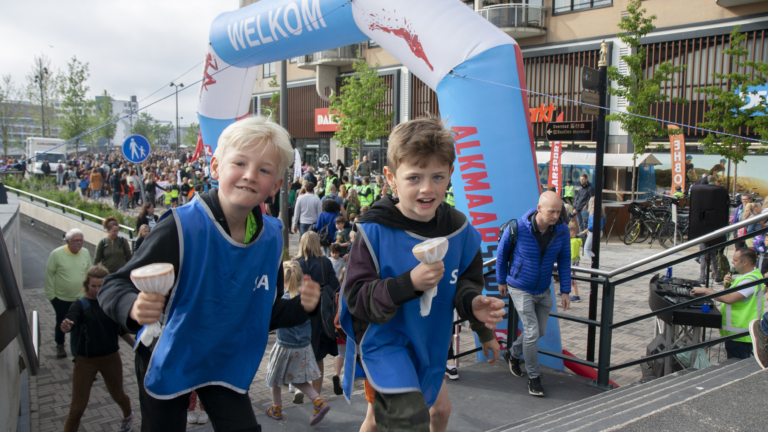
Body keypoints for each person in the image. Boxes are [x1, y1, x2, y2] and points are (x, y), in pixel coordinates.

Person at [97, 115, 321, 431]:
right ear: (215, 168)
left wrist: (302, 307)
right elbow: (113, 285)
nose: (250, 176)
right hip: (172, 354)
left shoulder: (272, 236)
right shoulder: (179, 227)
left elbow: (259, 312)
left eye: (265, 169)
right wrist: (132, 306)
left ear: (278, 185)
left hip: (225, 359)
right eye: (239, 163)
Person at [340, 117, 504, 432]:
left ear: (450, 175)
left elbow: (466, 284)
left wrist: (476, 313)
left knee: (426, 412)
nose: (427, 188)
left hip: (430, 342)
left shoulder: (460, 230)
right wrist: (408, 284)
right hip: (384, 344)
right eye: (414, 177)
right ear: (391, 178)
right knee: (408, 419)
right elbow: (356, 299)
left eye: (437, 176)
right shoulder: (373, 232)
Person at [498, 191, 571, 397]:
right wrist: (501, 280)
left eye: (558, 212)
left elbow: (565, 260)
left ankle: (512, 353)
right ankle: (534, 378)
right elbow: (502, 255)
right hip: (520, 286)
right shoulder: (519, 227)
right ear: (539, 209)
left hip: (543, 289)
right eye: (551, 212)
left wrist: (565, 290)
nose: (556, 216)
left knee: (538, 331)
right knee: (531, 331)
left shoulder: (562, 230)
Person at [60, 265, 135, 432]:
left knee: (118, 395)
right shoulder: (81, 304)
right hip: (85, 361)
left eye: (101, 286)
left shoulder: (111, 303)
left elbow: (121, 330)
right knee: (77, 408)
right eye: (93, 286)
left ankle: (128, 415)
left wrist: (137, 347)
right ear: (87, 285)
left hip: (111, 358)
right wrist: (66, 326)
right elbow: (70, 320)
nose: (96, 290)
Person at [264, 261, 331, 425]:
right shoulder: (304, 299)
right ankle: (318, 401)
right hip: (303, 347)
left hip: (284, 346)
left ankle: (276, 407)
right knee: (296, 378)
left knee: (275, 376)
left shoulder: (283, 300)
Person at [692, 248, 766, 359]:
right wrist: (727, 286)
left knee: (737, 364)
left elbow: (729, 298)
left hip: (740, 334)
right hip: (737, 333)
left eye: (735, 260)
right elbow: (739, 297)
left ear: (745, 262)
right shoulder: (748, 276)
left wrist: (706, 290)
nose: (732, 262)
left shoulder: (750, 280)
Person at [293, 231, 339, 398]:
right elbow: (335, 288)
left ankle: (299, 388)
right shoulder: (325, 262)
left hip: (298, 312)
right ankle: (316, 398)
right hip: (320, 314)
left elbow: (288, 289)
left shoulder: (295, 263)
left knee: (300, 353)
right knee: (318, 356)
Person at [45, 228, 92, 359]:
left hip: (81, 298)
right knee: (62, 322)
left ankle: (77, 352)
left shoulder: (85, 252)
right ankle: (60, 345)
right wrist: (51, 296)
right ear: (68, 241)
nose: (80, 243)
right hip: (61, 298)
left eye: (81, 240)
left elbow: (89, 273)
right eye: (76, 240)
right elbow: (49, 275)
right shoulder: (56, 254)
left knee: (79, 325)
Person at [582, 197, 606, 267]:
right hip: (600, 231)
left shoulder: (592, 215)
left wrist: (587, 229)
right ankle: (595, 262)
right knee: (593, 249)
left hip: (593, 232)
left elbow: (592, 225)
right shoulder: (602, 212)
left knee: (586, 249)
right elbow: (604, 221)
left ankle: (596, 264)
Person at [569, 225, 583, 303]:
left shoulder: (573, 242)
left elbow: (573, 255)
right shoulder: (576, 241)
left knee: (572, 279)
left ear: (571, 232)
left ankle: (576, 296)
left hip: (572, 262)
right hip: (574, 262)